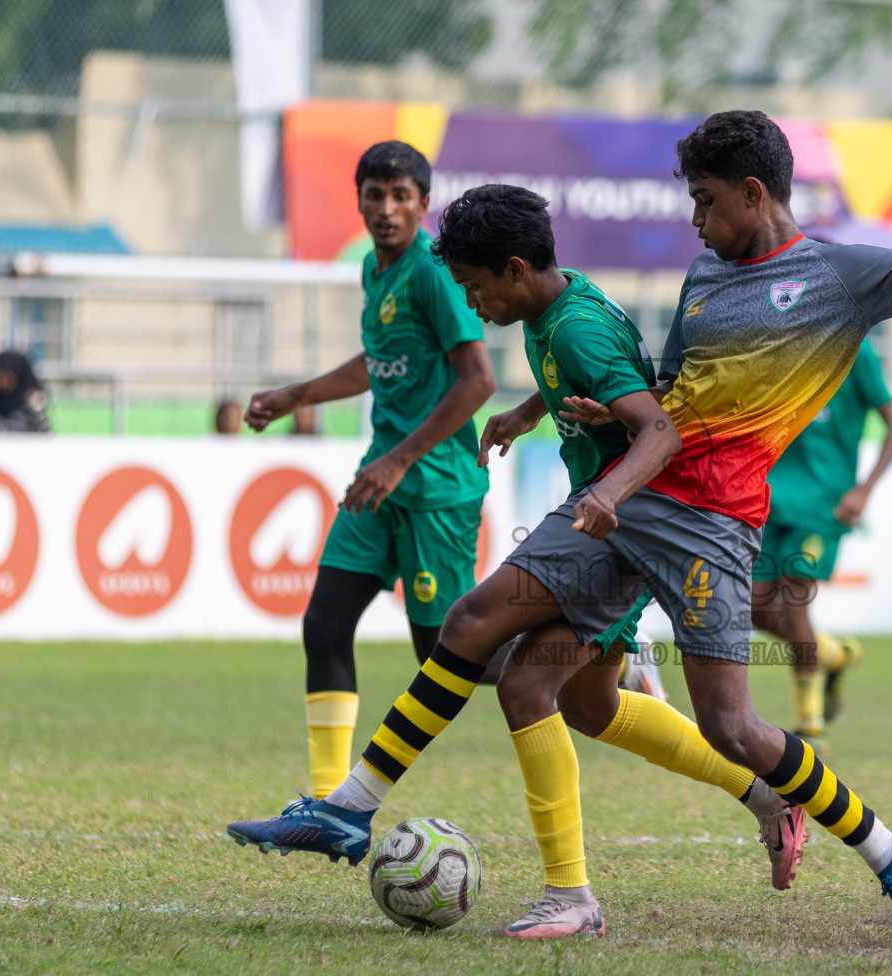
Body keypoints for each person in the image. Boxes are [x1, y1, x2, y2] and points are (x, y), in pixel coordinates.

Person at [230, 111, 892, 945]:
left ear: (753, 194)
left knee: (734, 727)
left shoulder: (844, 277)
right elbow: (663, 391)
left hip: (712, 528)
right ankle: (352, 809)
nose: (694, 219)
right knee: (479, 634)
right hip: (631, 499)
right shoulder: (705, 276)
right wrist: (546, 408)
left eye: (704, 200)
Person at [231, 185, 807, 936]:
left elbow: (653, 426)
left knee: (475, 628)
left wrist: (603, 499)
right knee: (581, 704)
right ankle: (763, 800)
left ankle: (356, 810)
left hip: (620, 528)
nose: (471, 303)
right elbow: (603, 377)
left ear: (513, 269)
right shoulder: (561, 306)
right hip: (614, 528)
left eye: (474, 287)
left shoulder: (570, 330)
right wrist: (529, 410)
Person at [240, 140, 496, 800]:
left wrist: (400, 456)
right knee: (324, 624)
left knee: (447, 657)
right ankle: (328, 801)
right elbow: (376, 360)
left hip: (433, 485)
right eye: (374, 195)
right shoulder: (374, 271)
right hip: (380, 481)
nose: (385, 209)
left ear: (423, 205)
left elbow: (478, 381)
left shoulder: (434, 274)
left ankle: (608, 666)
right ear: (358, 200)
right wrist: (295, 395)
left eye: (400, 196)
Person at [751, 337, 892, 746]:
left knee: (794, 597)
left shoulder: (858, 349)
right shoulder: (782, 342)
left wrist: (864, 490)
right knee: (752, 607)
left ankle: (808, 725)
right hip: (771, 497)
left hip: (824, 505)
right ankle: (833, 654)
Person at [0, 350, 50, 432]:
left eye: (5, 374)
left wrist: (36, 409)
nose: (1, 379)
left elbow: (45, 434)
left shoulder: (30, 402)